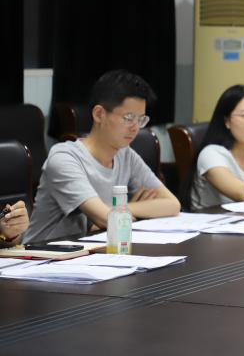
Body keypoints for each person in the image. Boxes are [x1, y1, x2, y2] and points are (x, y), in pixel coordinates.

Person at [23, 70, 180, 244]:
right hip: (41, 255)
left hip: (91, 251)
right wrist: (132, 211)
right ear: (99, 114)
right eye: (128, 118)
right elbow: (108, 220)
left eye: (141, 119)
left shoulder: (125, 154)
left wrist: (119, 209)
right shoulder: (64, 158)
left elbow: (172, 204)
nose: (135, 127)